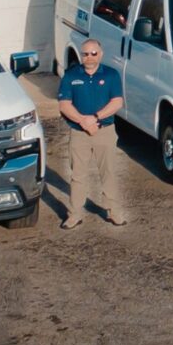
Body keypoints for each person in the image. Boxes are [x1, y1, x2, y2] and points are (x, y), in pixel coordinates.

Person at [57, 38, 127, 229]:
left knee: (109, 173)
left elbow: (117, 102)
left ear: (100, 54)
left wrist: (95, 118)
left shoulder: (111, 75)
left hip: (105, 131)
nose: (89, 57)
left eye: (93, 53)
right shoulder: (71, 75)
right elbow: (64, 105)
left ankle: (114, 212)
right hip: (79, 133)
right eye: (85, 54)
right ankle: (74, 214)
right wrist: (83, 121)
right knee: (78, 175)